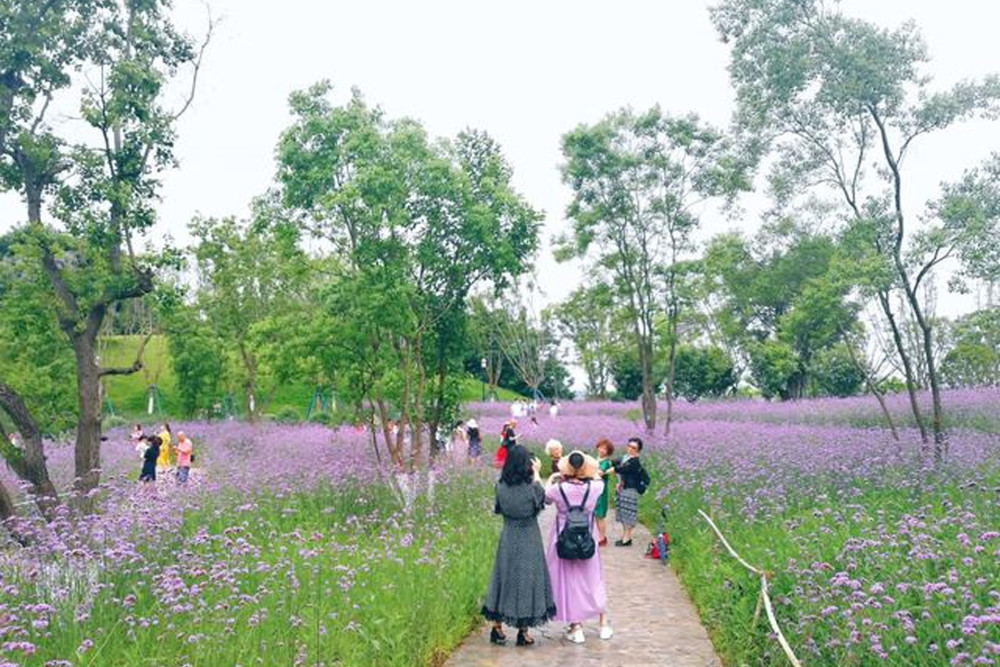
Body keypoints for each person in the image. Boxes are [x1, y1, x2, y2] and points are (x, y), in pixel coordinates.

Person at [481, 445, 555, 646]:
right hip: (529, 536)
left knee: (503, 577)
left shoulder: (500, 486)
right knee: (526, 580)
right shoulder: (532, 487)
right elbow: (542, 502)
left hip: (508, 536)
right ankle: (523, 632)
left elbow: (499, 508)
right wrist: (538, 473)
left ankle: (496, 628)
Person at [545, 450, 612, 643]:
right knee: (593, 578)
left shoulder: (558, 489)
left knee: (568, 581)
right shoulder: (595, 488)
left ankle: (576, 626)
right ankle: (603, 624)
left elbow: (546, 496)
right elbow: (598, 476)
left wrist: (552, 477)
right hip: (587, 538)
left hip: (563, 537)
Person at [612, 437, 650, 547]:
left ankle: (627, 537)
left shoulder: (634, 462)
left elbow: (620, 469)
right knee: (623, 513)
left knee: (629, 513)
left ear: (638, 450)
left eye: (633, 447)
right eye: (629, 446)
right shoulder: (626, 458)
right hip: (623, 488)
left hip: (631, 489)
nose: (630, 449)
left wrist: (603, 472)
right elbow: (617, 465)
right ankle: (625, 536)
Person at [594, 439, 615, 547]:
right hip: (594, 490)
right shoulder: (596, 459)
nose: (602, 450)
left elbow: (599, 473)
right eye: (600, 447)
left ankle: (602, 538)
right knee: (594, 514)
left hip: (601, 491)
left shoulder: (606, 462)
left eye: (605, 449)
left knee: (600, 515)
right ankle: (597, 535)